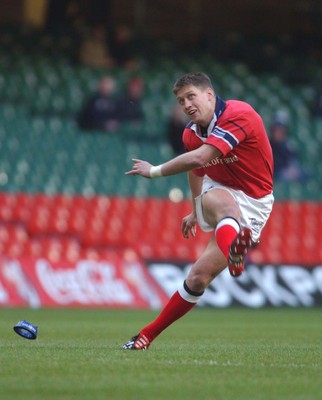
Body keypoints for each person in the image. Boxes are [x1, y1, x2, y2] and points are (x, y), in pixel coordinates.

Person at [122, 72, 274, 350]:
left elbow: (202, 157)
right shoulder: (191, 134)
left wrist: (153, 171)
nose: (186, 105)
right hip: (220, 190)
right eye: (181, 101)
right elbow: (197, 169)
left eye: (191, 96)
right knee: (224, 205)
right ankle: (146, 336)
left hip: (256, 201)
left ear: (209, 95)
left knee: (198, 277)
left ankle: (233, 251)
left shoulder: (240, 114)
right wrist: (197, 211)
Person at [269, 113, 308, 182]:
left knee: (306, 174)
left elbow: (293, 160)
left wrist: (292, 168)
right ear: (273, 130)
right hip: (276, 175)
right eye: (277, 130)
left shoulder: (287, 146)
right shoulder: (268, 145)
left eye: (282, 130)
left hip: (289, 174)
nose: (279, 132)